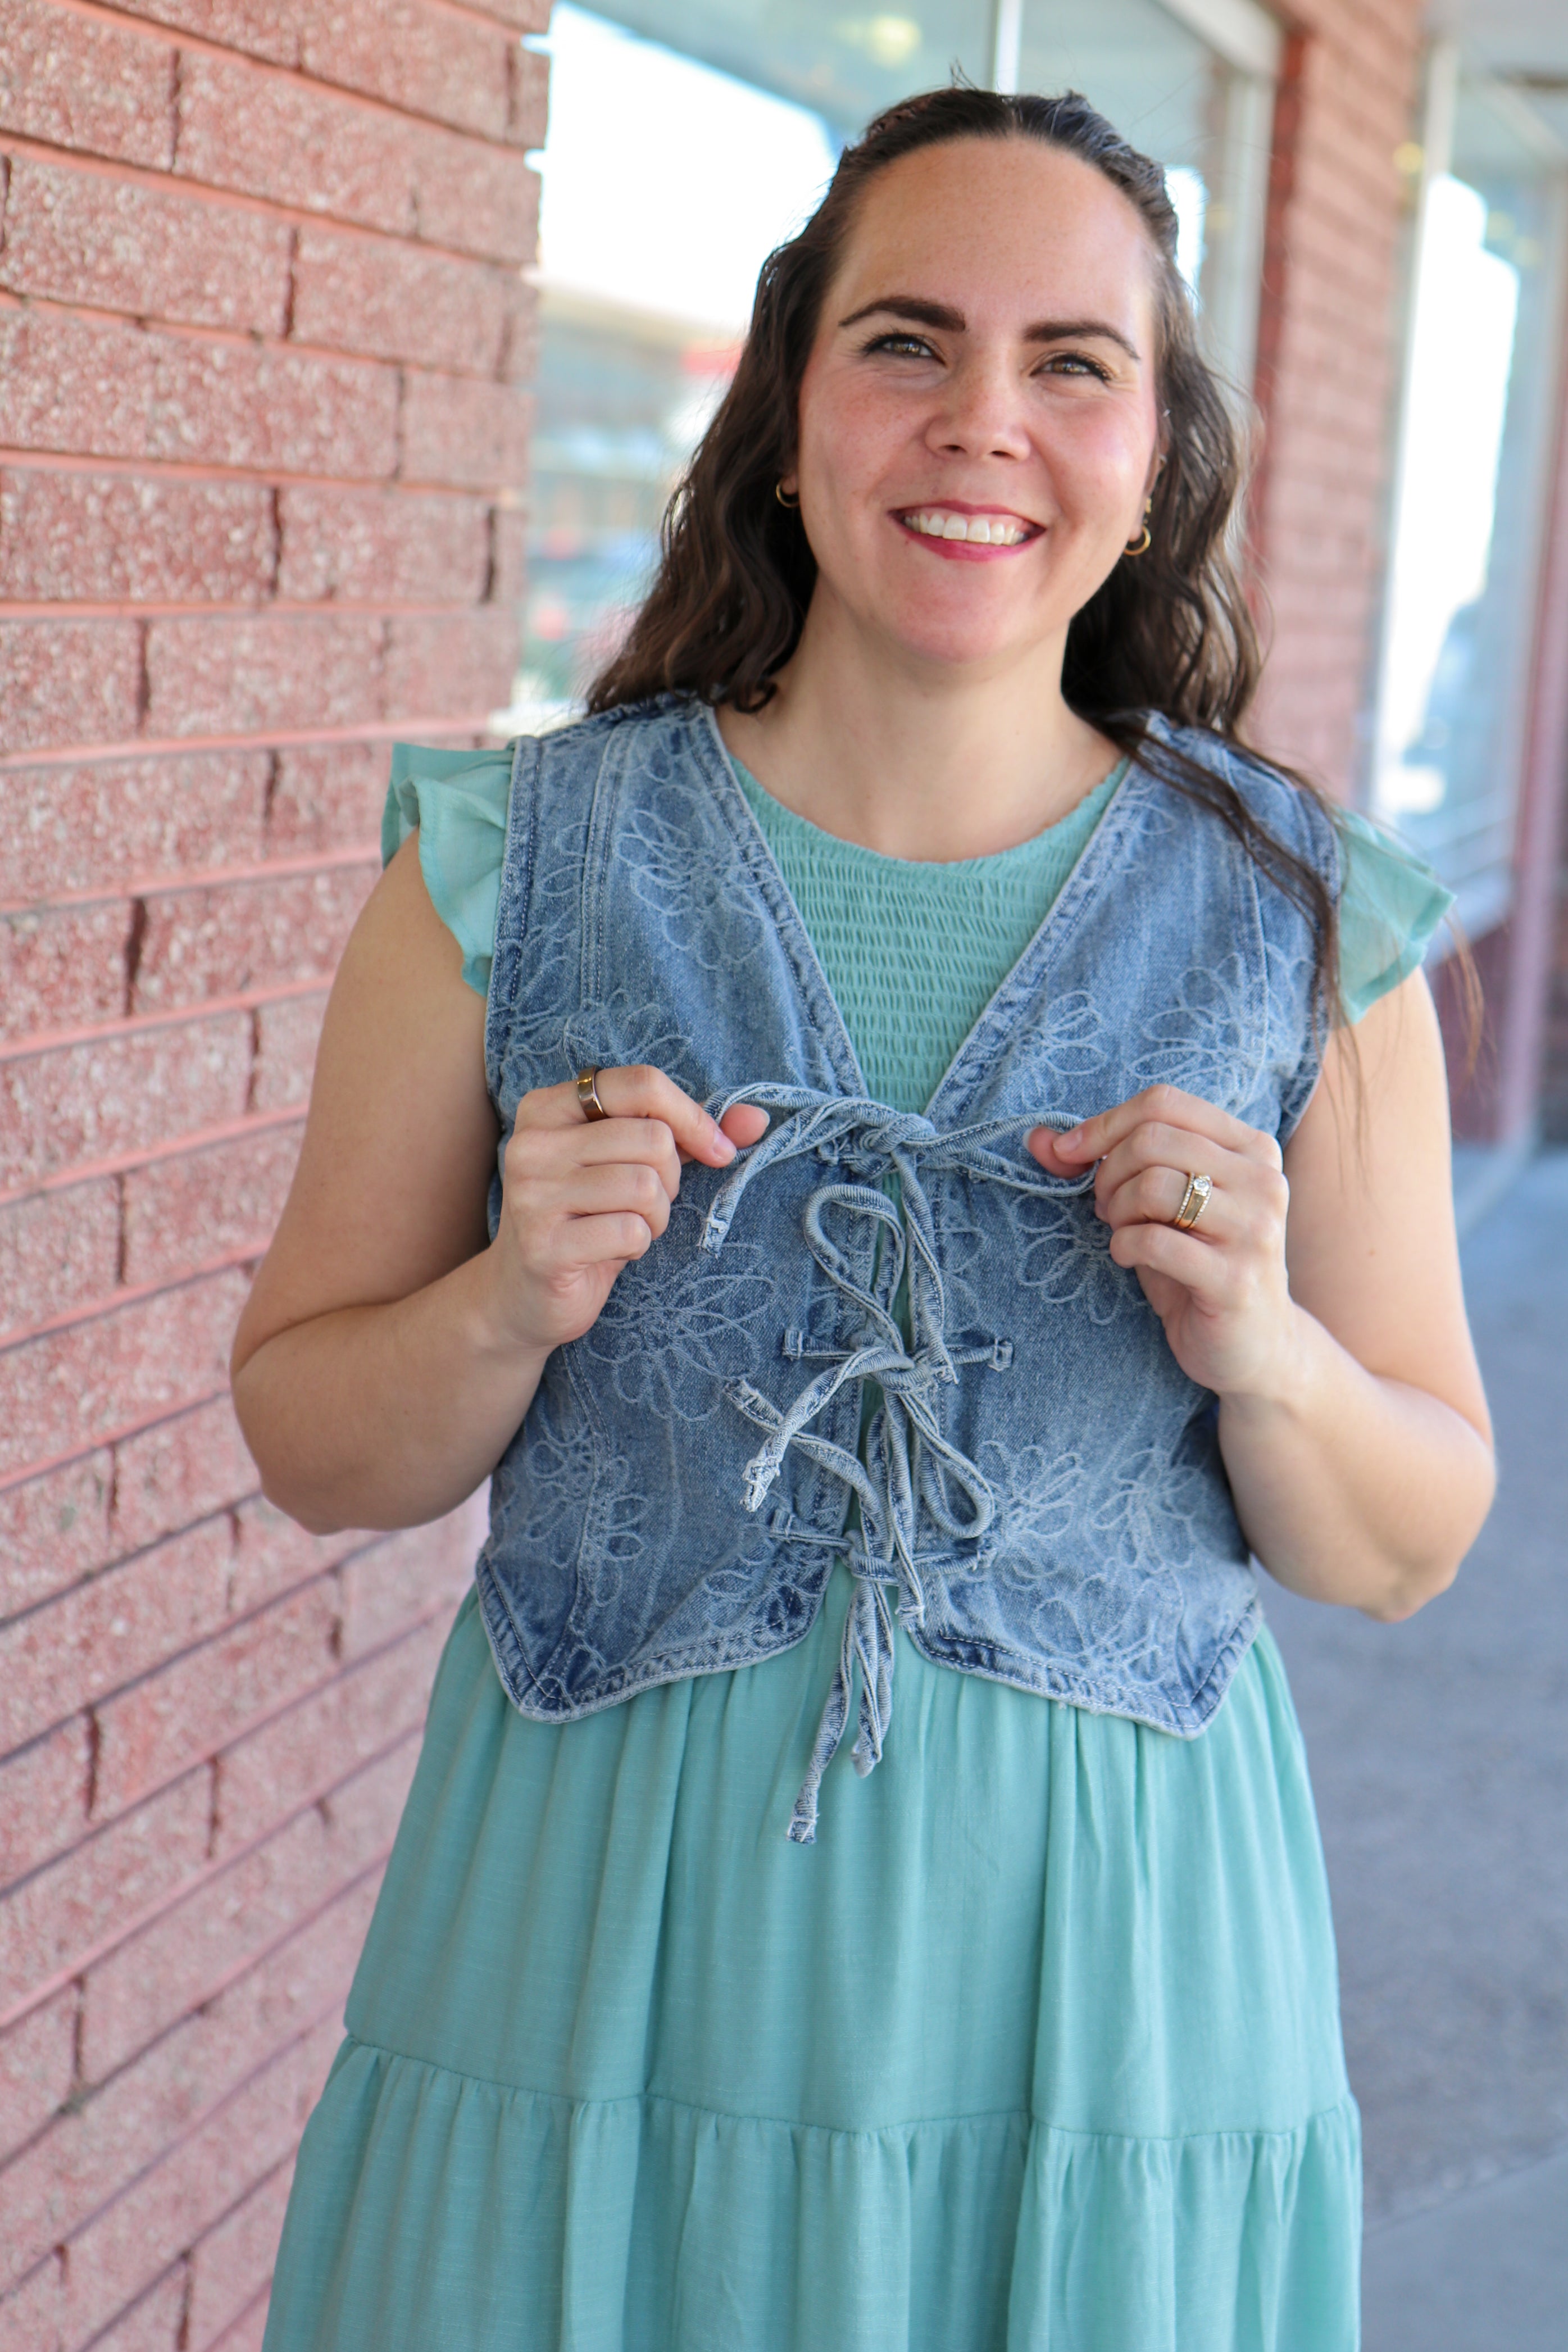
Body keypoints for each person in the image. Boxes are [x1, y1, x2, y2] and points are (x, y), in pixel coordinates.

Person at [235, 87, 1494, 2352]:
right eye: (905, 342)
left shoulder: (1304, 932)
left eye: (1068, 363)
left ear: (1151, 449)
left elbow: (1404, 1539)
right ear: (788, 398)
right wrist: (510, 1302)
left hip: (1102, 2001)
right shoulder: (505, 872)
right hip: (591, 1961)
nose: (978, 426)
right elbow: (319, 1440)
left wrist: (1270, 1353)